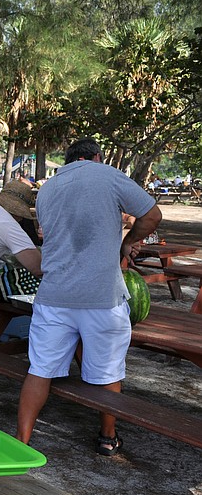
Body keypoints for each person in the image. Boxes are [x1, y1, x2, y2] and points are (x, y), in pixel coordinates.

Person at [16, 138, 162, 456]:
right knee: (107, 372)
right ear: (96, 156)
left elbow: (53, 235)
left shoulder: (48, 188)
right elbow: (152, 215)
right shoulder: (107, 174)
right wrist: (127, 242)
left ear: (68, 160)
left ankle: (22, 441)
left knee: (39, 370)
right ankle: (108, 438)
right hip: (102, 298)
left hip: (53, 295)